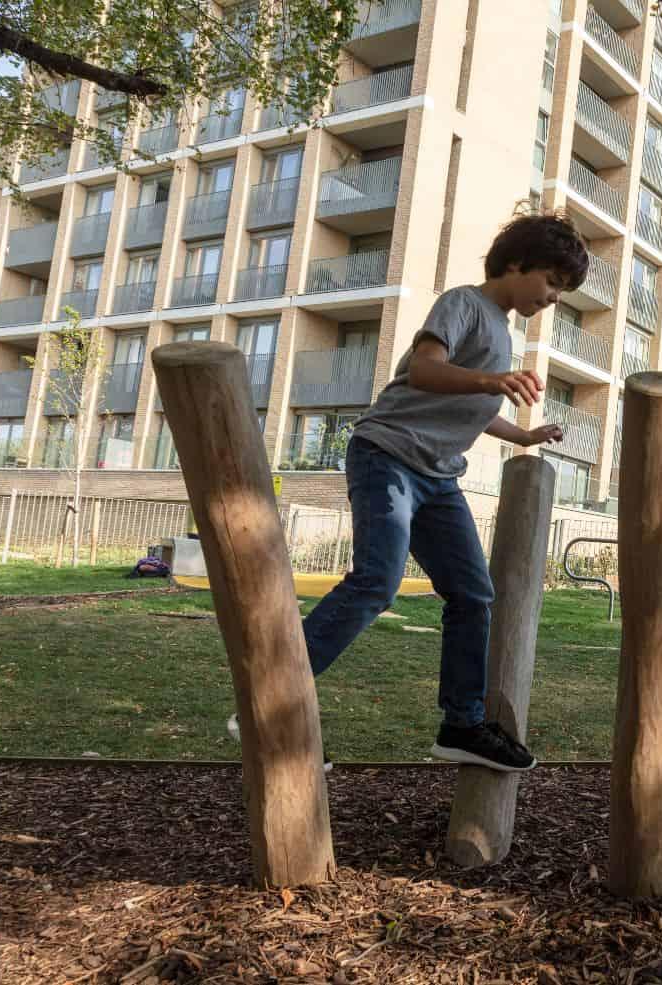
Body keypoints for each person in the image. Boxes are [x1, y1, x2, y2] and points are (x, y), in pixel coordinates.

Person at [232, 212, 588, 772]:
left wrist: (521, 434)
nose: (553, 297)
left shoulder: (501, 329)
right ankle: (267, 698)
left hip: (438, 477)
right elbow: (426, 372)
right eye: (551, 282)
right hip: (388, 456)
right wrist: (492, 381)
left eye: (562, 291)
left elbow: (466, 404)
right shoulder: (464, 304)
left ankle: (461, 724)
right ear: (517, 263)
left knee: (474, 595)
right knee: (378, 581)